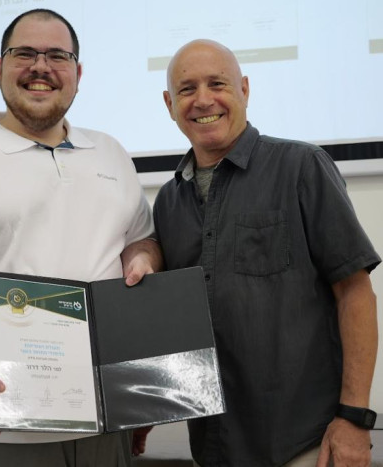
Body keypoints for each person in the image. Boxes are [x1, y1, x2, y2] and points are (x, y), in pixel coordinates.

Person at [0, 8, 162, 467]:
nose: (41, 67)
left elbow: (141, 241)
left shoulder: (111, 153)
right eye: (24, 53)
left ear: (78, 74)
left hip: (103, 427)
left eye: (57, 56)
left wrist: (142, 259)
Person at [153, 39, 380, 467]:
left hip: (305, 444)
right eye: (187, 89)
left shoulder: (302, 166)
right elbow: (175, 322)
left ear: (244, 89)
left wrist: (354, 418)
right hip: (213, 447)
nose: (203, 100)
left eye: (217, 83)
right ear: (169, 104)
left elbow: (356, 294)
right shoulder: (168, 201)